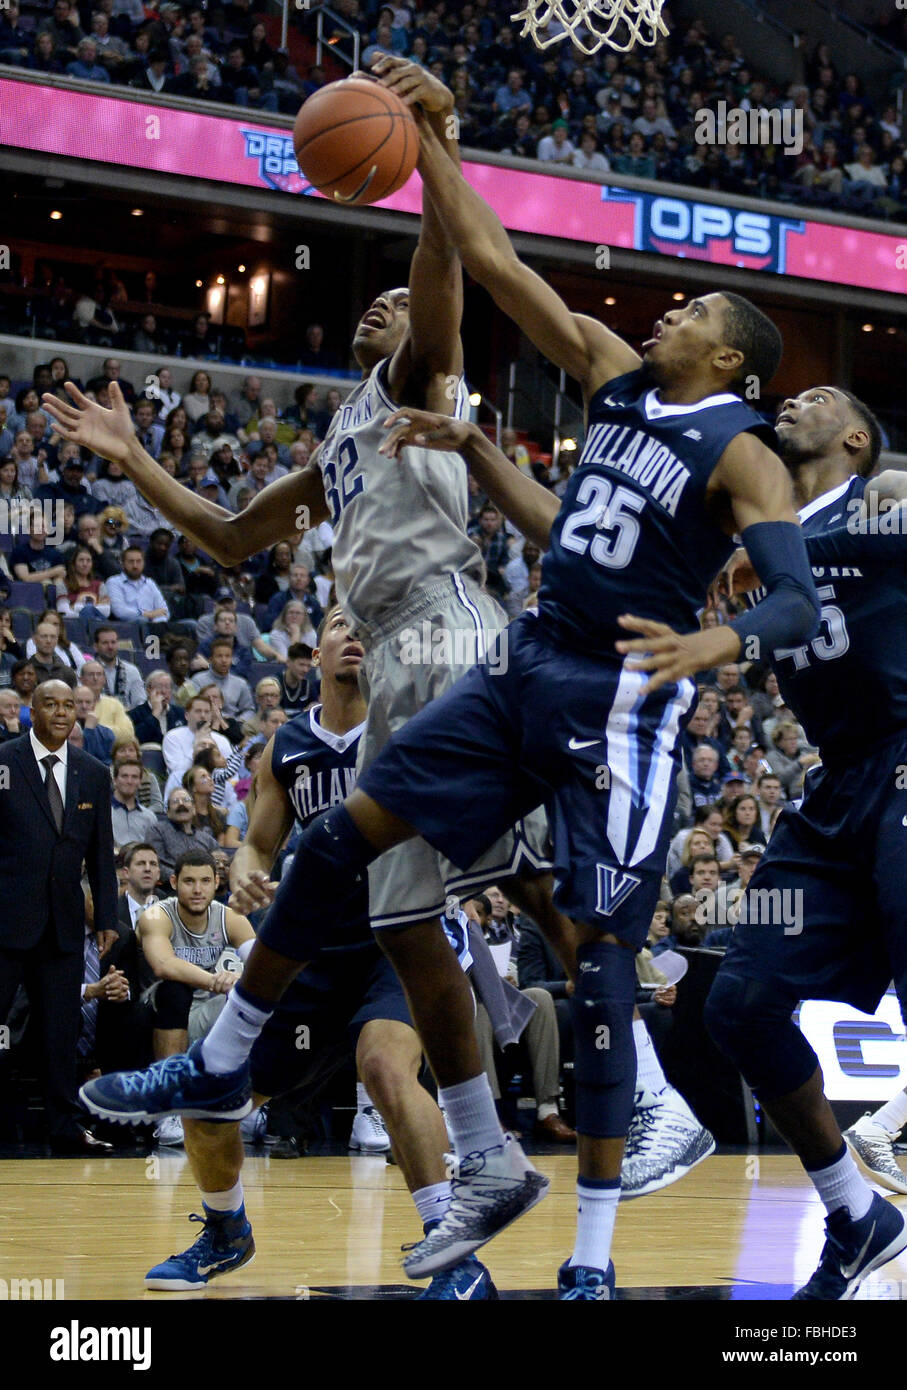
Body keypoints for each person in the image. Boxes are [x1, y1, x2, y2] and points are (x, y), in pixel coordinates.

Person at [706, 385, 907, 1299]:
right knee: (738, 1000)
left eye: (818, 398)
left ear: (856, 438)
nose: (793, 401)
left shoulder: (887, 493)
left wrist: (784, 560)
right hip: (836, 782)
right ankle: (855, 1219)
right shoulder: (756, 522)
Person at [0, 679, 117, 1152]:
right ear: (32, 710)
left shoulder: (92, 771)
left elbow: (101, 855)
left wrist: (107, 915)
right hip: (6, 921)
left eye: (70, 705)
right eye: (51, 704)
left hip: (64, 921)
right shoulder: (5, 761)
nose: (62, 713)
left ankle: (64, 1128)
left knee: (61, 1030)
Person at [137, 850, 255, 1145]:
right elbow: (164, 964)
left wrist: (238, 981)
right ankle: (170, 1108)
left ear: (217, 882)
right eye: (189, 881)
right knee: (174, 989)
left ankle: (248, 1105)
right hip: (157, 1012)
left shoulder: (230, 917)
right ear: (174, 882)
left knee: (254, 1002)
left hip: (209, 1009)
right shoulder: (155, 915)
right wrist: (217, 981)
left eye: (205, 881)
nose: (198, 889)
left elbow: (261, 967)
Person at [111, 757, 160, 846]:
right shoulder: (102, 813)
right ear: (115, 780)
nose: (129, 781)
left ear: (140, 782)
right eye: (124, 776)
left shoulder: (149, 817)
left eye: (134, 777)